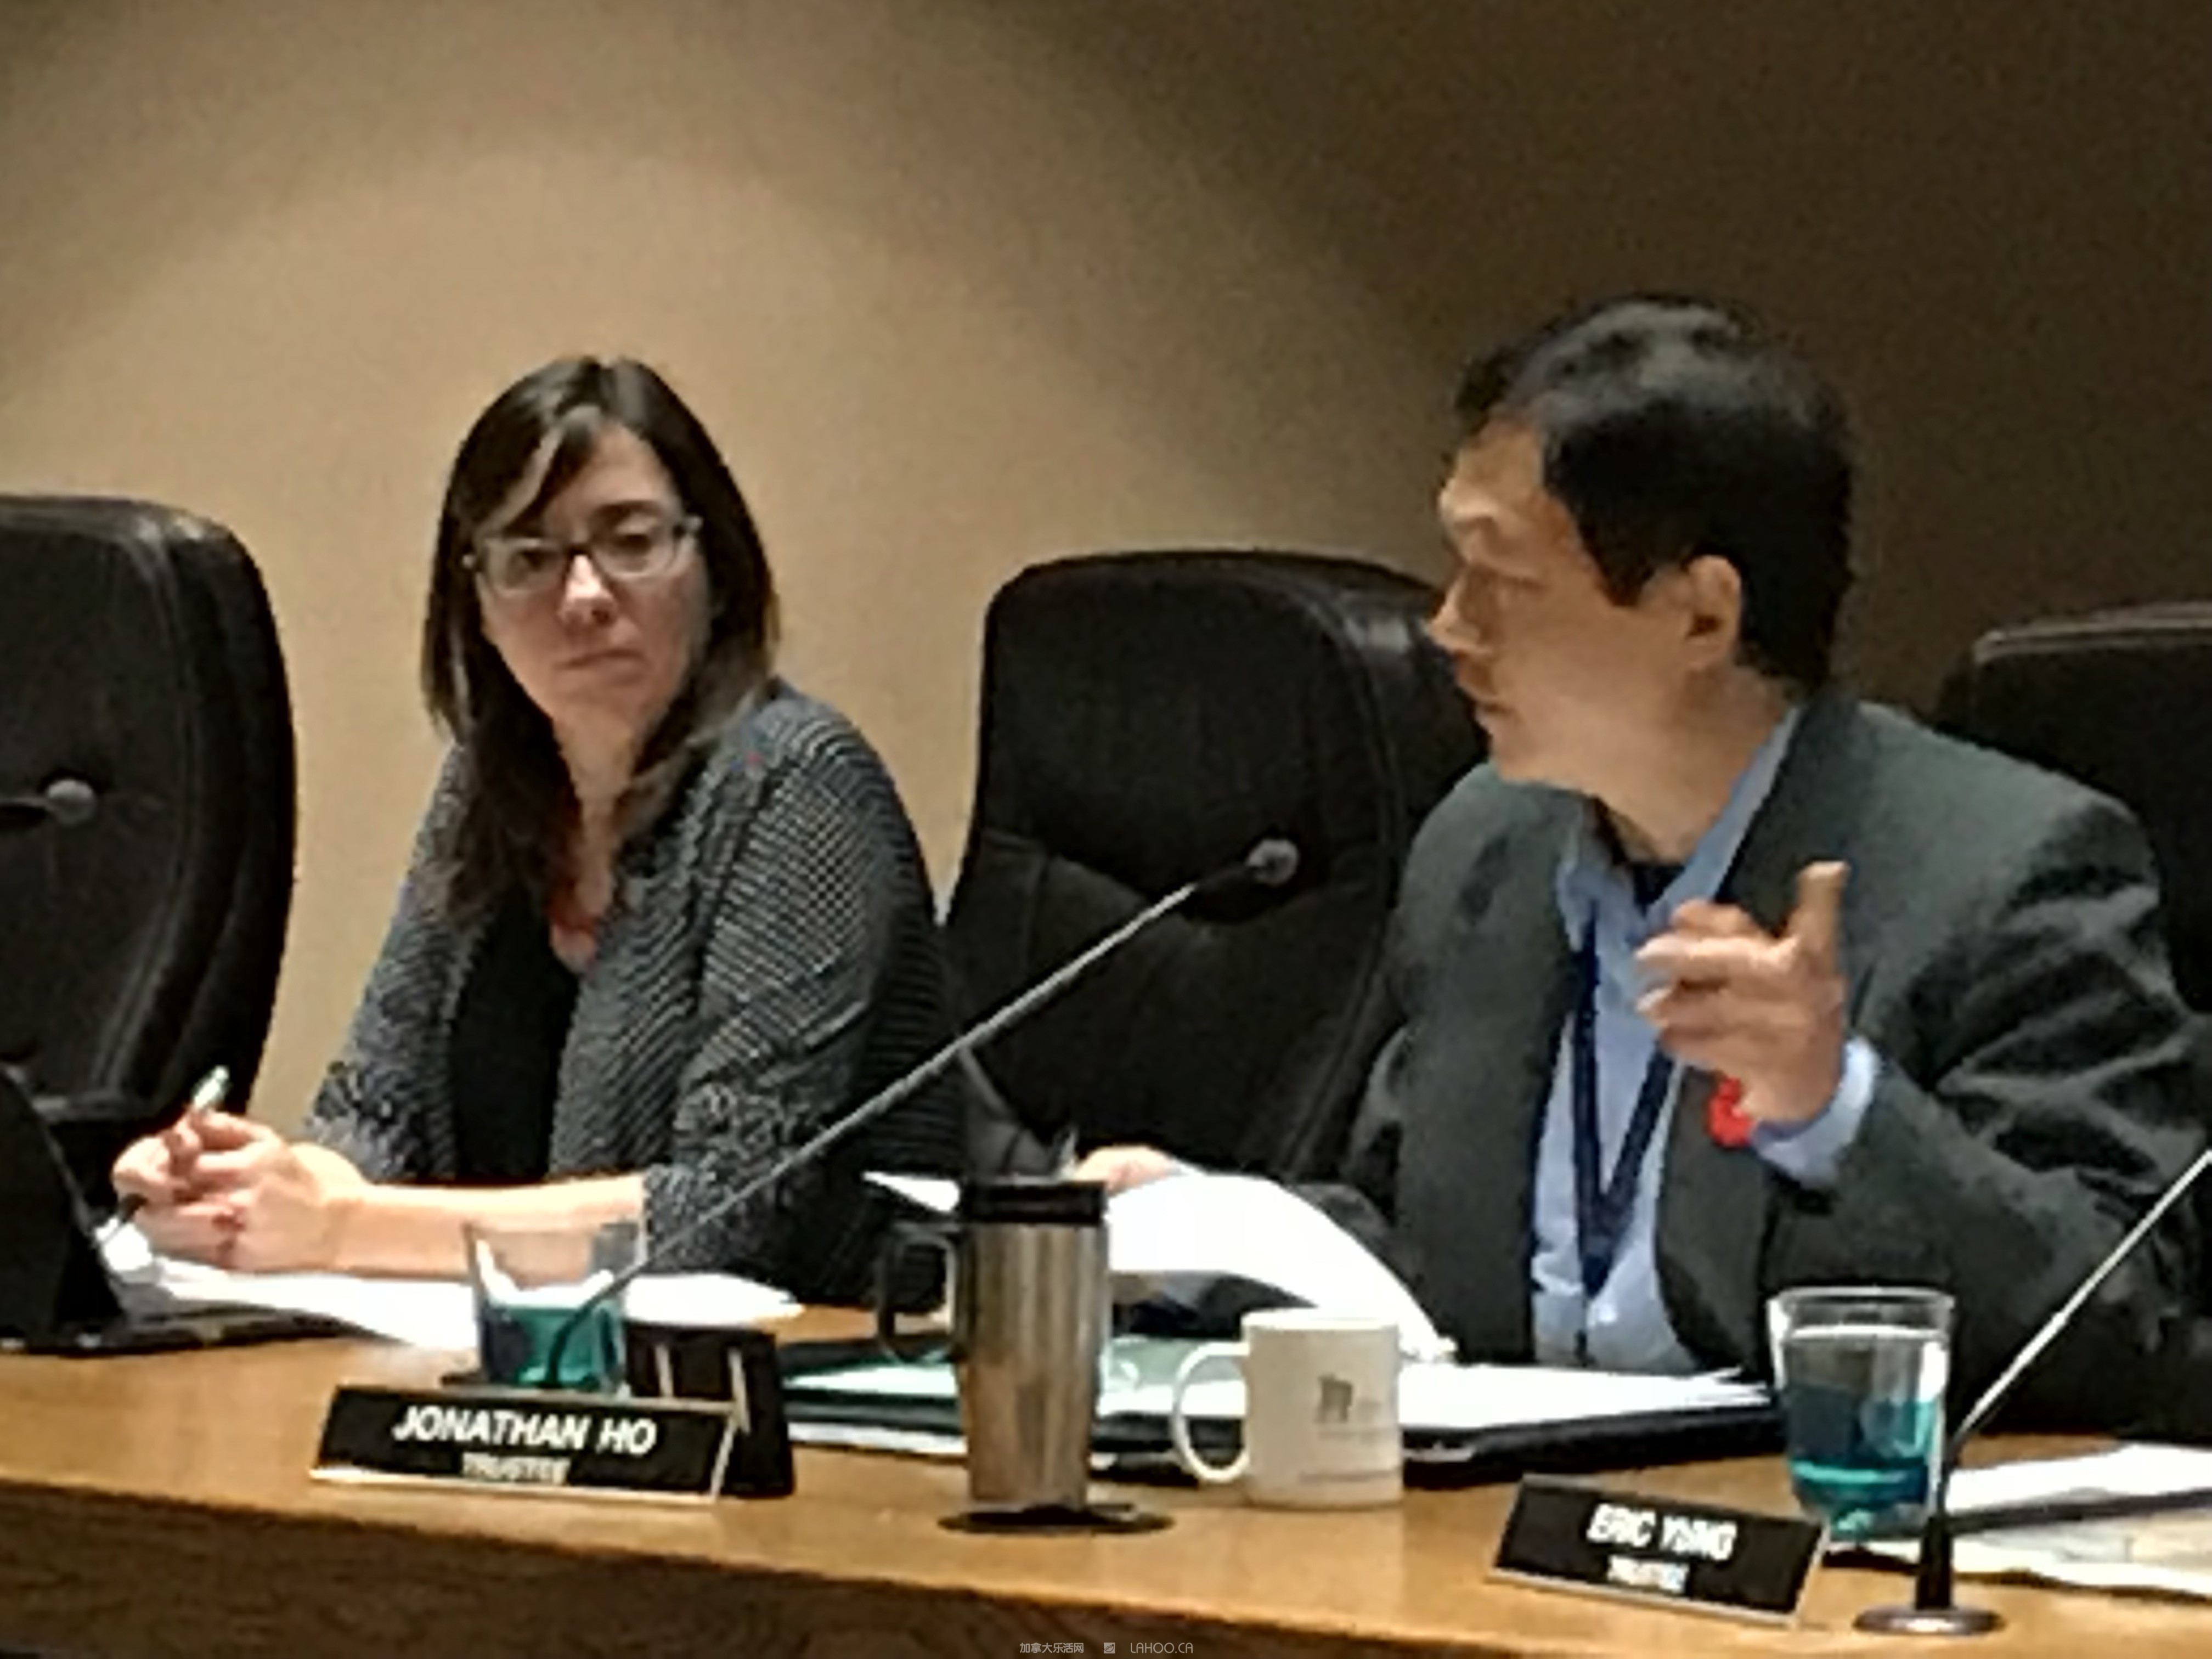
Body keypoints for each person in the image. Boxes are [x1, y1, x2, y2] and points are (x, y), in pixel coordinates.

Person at [1085, 296, 2203, 1425]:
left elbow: (2120, 1320)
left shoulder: (2010, 869)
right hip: (1492, 1511)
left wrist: (1836, 1106)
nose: (1449, 625)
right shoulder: (1487, 849)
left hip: (1798, 1518)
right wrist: (1211, 1229)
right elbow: (1433, 1253)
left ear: (1702, 616)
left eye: (1503, 578)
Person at [112, 356, 984, 1302]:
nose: (583, 597)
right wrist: (242, 1188)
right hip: (519, 1359)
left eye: (632, 542)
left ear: (716, 569)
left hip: (809, 1361)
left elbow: (730, 1207)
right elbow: (372, 1115)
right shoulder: (488, 788)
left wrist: (341, 1226)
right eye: (529, 560)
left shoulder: (796, 781)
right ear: (477, 607)